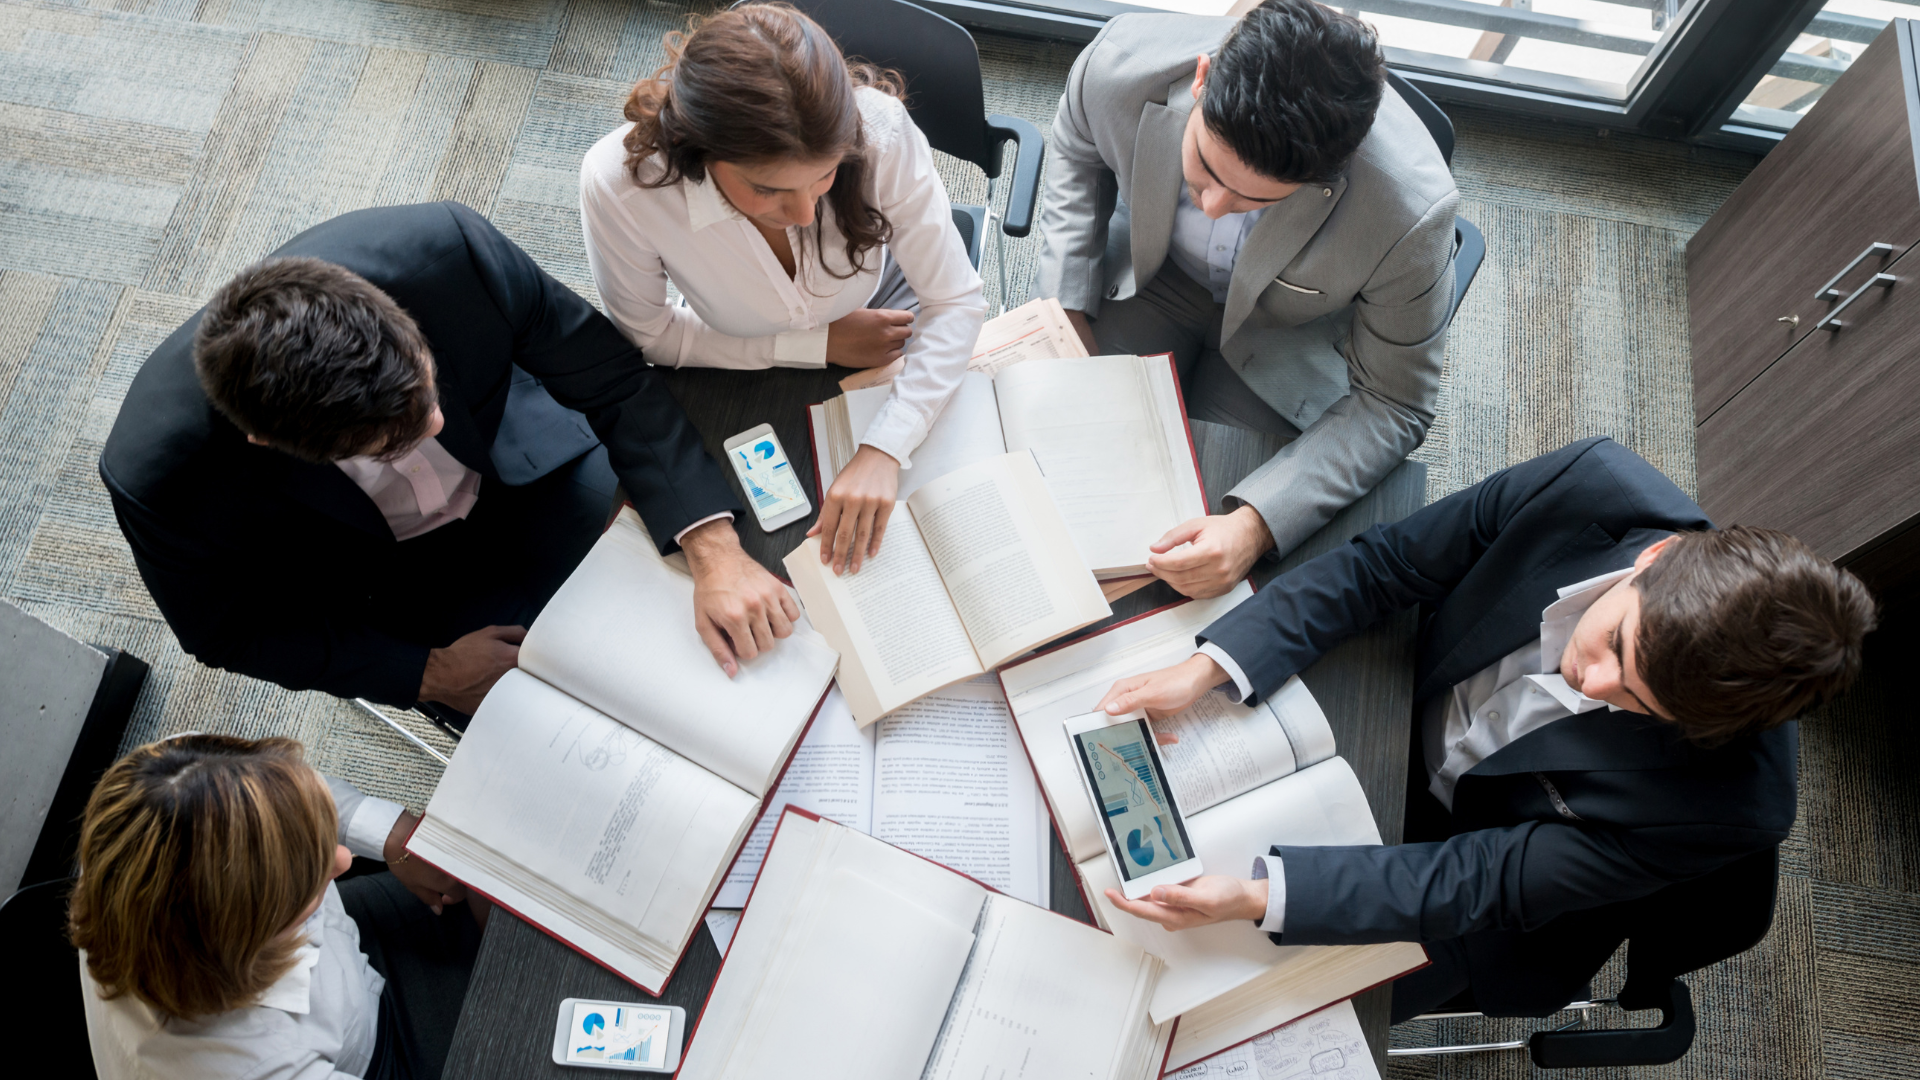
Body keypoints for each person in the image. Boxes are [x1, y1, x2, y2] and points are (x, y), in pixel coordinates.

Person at [1089, 437, 1877, 1020]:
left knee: (1217, 1016)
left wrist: (1261, 897)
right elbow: (1386, 566)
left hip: (1479, 882)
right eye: (1616, 644)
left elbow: (1482, 880)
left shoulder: (1732, 809)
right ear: (1655, 558)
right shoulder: (1593, 488)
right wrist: (1213, 666)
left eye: (1641, 702)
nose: (1593, 683)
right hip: (1400, 705)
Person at [101, 202, 798, 721]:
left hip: (526, 466)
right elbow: (229, 632)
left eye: (426, 389)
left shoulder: (449, 255)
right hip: (394, 583)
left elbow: (610, 377)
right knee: (579, 741)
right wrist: (427, 674)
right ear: (270, 442)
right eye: (392, 441)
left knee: (756, 596)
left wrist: (712, 548)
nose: (433, 423)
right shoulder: (160, 480)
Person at [1033, 0, 1457, 598]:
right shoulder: (1118, 62)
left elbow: (1395, 403)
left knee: (1198, 553)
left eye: (1253, 199)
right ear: (1201, 79)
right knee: (1053, 475)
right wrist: (1066, 312)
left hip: (1285, 343)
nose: (1212, 206)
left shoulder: (1412, 213)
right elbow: (1078, 151)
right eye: (1206, 169)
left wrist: (1254, 527)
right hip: (1145, 282)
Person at [581, 2, 987, 577]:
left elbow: (955, 301)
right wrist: (817, 344)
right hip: (728, 353)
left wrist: (885, 448)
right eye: (768, 190)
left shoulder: (879, 132)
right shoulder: (621, 185)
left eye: (824, 176)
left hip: (880, 307)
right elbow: (651, 336)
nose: (803, 214)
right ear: (699, 151)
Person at [71, 733, 480, 1079]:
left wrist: (390, 835)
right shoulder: (253, 1069)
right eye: (303, 886)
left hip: (350, 964)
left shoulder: (165, 796)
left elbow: (288, 791)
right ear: (247, 940)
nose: (343, 860)